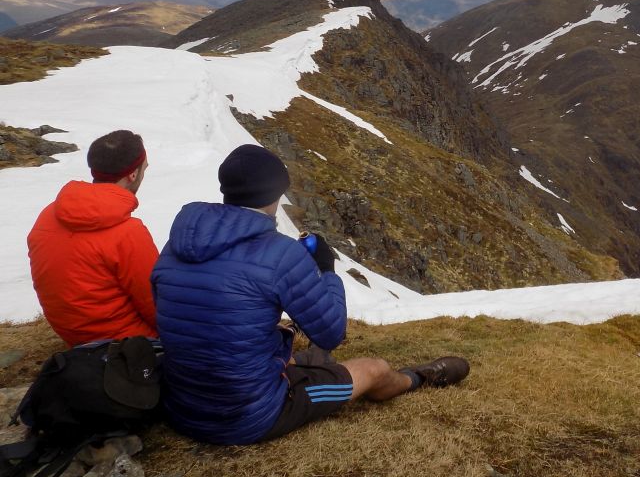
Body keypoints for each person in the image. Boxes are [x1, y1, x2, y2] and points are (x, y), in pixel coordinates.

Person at [151, 144, 469, 445]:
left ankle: (307, 365)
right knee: (374, 369)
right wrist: (326, 269)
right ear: (276, 193)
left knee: (272, 336)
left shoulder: (177, 243)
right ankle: (417, 378)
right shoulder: (279, 253)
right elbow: (331, 333)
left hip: (180, 406)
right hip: (245, 416)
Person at [27, 130, 158, 347]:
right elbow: (156, 305)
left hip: (74, 337)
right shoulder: (128, 232)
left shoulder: (49, 215)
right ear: (132, 175)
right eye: (144, 168)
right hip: (127, 346)